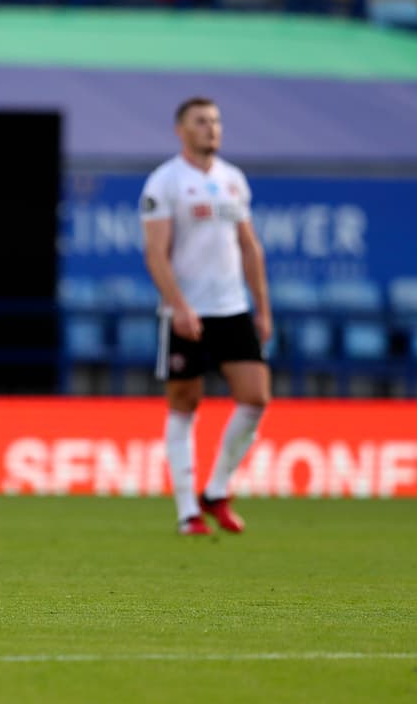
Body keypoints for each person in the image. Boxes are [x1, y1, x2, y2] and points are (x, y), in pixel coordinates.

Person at [140, 97, 271, 537]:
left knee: (255, 397)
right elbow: (155, 254)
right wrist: (178, 305)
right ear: (180, 130)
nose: (211, 129)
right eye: (200, 121)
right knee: (184, 404)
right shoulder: (166, 182)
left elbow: (250, 247)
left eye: (215, 121)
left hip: (232, 307)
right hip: (186, 311)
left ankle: (215, 491)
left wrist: (262, 308)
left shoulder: (233, 179)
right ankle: (186, 512)